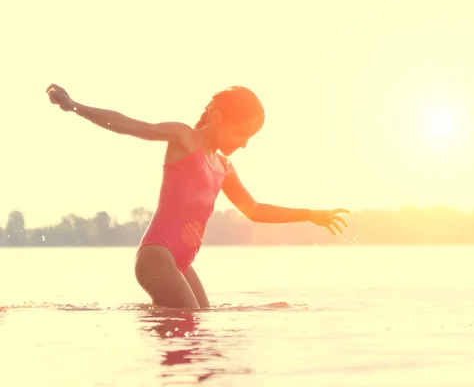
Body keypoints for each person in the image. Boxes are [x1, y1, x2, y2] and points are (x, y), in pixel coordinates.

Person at [46, 84, 349, 310]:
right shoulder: (184, 138)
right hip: (157, 256)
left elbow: (255, 210)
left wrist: (310, 214)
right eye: (241, 134)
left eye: (249, 138)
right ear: (217, 117)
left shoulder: (224, 168)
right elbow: (130, 125)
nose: (243, 144)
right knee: (191, 322)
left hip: (180, 264)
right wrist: (75, 106)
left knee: (203, 319)